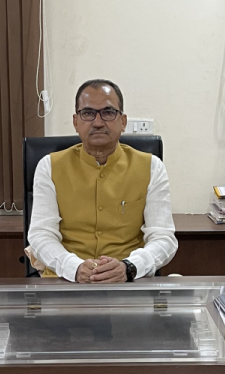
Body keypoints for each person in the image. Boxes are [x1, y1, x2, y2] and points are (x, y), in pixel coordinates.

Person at [27, 79, 177, 282]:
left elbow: (163, 237)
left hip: (128, 282)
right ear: (76, 122)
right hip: (65, 280)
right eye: (88, 113)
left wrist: (129, 267)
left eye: (108, 112)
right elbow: (41, 234)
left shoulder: (151, 167)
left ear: (123, 121)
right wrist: (74, 267)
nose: (98, 122)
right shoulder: (49, 167)